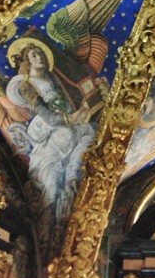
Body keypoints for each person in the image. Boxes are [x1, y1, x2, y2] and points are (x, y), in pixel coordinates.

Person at [6, 39, 98, 221]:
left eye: (41, 53)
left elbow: (69, 101)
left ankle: (73, 176)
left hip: (69, 123)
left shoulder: (54, 79)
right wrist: (69, 118)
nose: (39, 57)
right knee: (52, 179)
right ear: (27, 61)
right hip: (47, 126)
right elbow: (45, 113)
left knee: (92, 131)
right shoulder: (26, 84)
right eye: (34, 55)